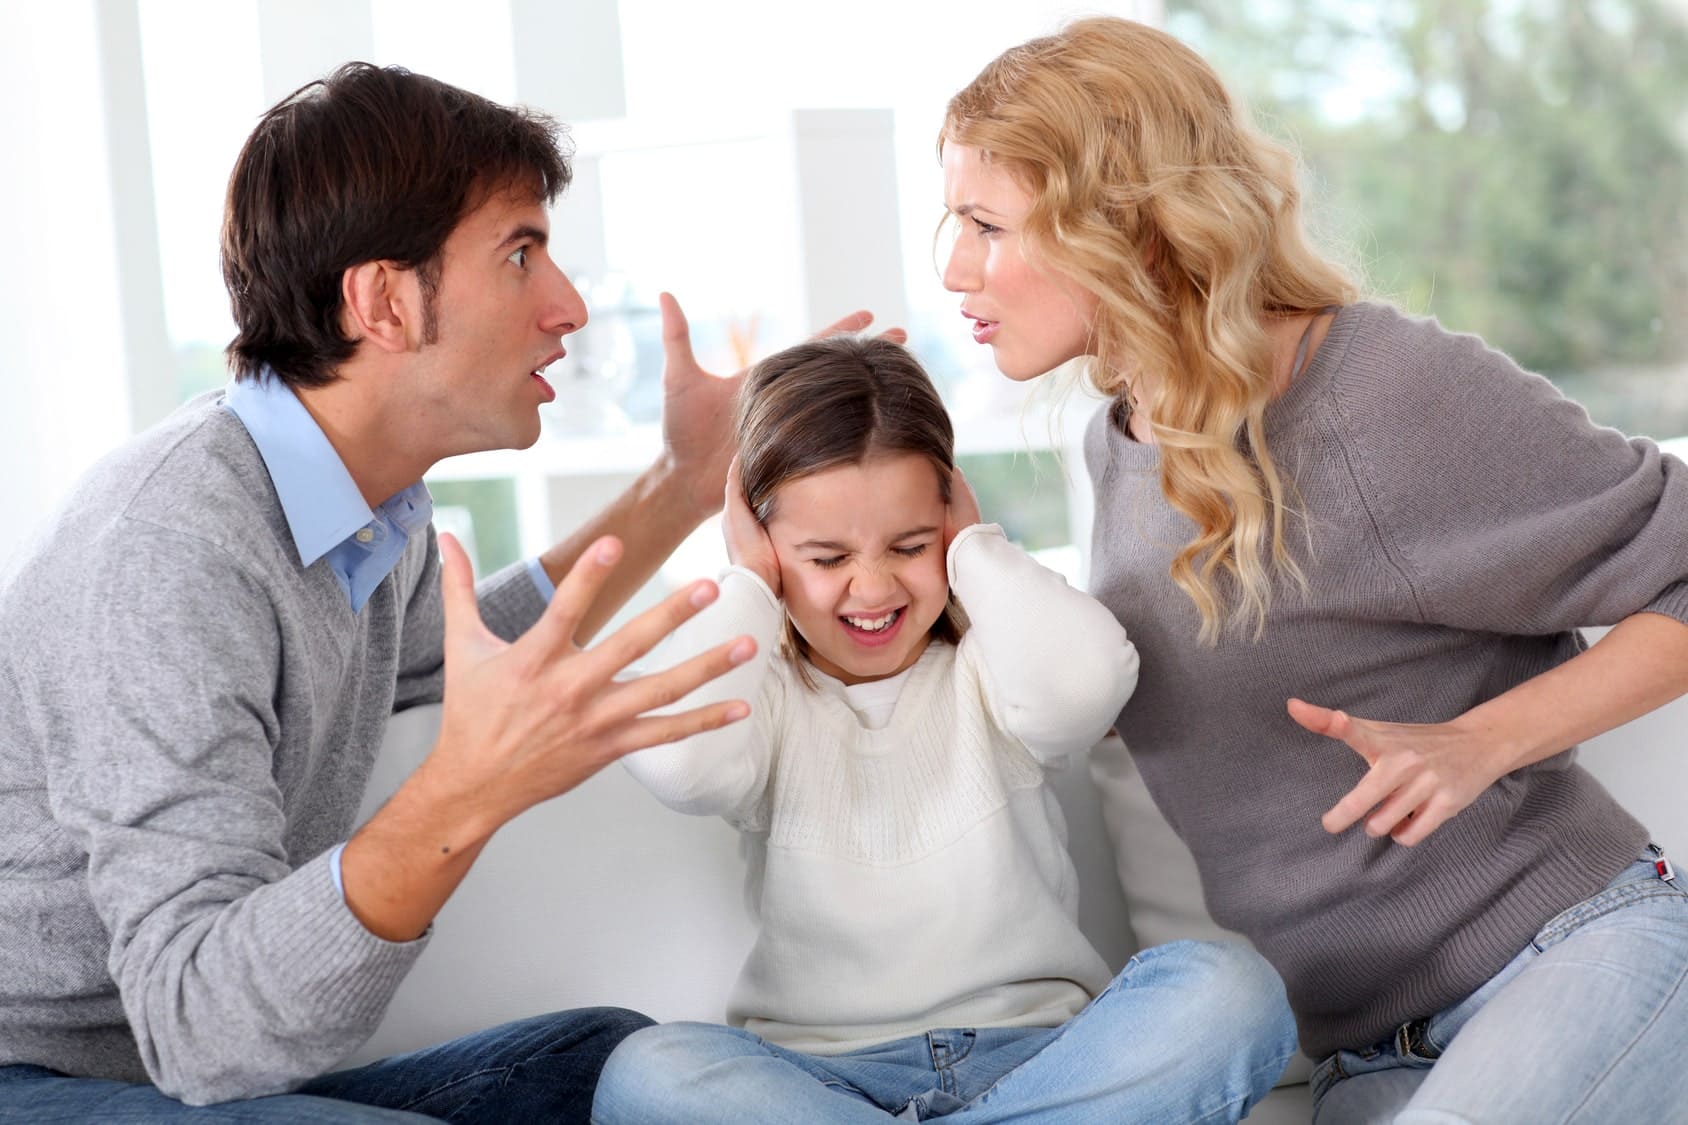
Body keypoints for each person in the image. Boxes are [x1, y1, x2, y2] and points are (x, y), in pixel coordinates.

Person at [0, 62, 887, 1122]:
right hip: (53, 1076)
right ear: (380, 299)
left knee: (602, 1059)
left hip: (185, 1075)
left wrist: (681, 490)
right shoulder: (171, 549)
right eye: (521, 254)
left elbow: (455, 656)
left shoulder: (368, 512)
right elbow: (200, 1029)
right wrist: (469, 792)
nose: (566, 308)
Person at [936, 15, 1688, 1123]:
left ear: (1129, 231)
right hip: (1361, 1051)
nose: (951, 266)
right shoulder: (1117, 441)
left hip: (1567, 952)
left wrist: (1481, 741)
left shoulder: (1378, 390)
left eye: (986, 226)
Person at [589, 335, 1297, 1124]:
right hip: (822, 1082)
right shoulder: (768, 702)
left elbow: (1088, 681)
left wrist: (976, 551)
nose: (873, 584)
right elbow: (678, 761)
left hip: (1042, 1057)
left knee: (1232, 990)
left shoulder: (993, 667)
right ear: (762, 545)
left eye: (912, 544)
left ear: (951, 514)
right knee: (648, 1070)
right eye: (825, 557)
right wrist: (747, 585)